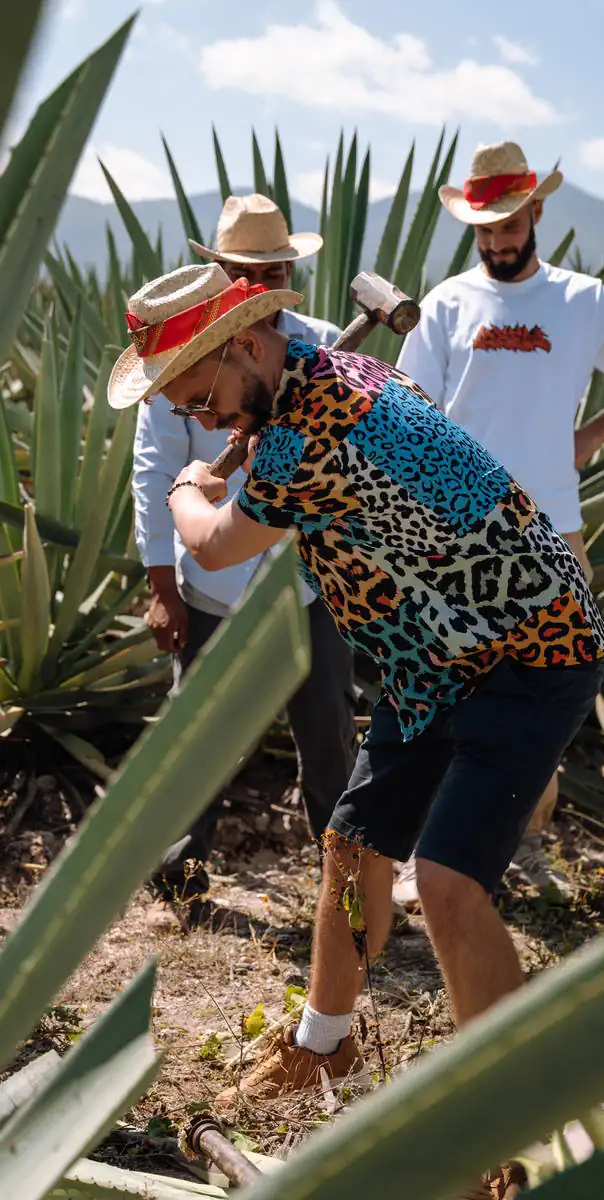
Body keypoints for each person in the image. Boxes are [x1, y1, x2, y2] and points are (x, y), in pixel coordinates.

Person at [109, 262, 604, 1198]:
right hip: (432, 656)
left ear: (250, 345)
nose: (207, 422)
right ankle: (323, 1048)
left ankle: (512, 1125)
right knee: (351, 843)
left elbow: (215, 543)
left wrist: (187, 488)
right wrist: (240, 430)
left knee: (449, 881)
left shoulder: (310, 428)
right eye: (188, 411)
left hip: (527, 644)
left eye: (203, 398)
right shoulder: (306, 377)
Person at [396, 141, 604, 894]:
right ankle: (427, 852)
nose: (498, 241)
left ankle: (520, 847)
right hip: (453, 532)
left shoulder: (581, 301)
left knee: (543, 698)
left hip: (551, 529)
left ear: (536, 213)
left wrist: (593, 434)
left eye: (509, 224)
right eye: (484, 230)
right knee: (441, 687)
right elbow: (403, 408)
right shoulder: (445, 305)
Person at [132, 196, 356, 929]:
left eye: (272, 270)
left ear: (290, 271)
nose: (258, 283)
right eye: (243, 271)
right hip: (213, 588)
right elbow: (154, 469)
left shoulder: (322, 350)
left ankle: (349, 888)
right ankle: (181, 881)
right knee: (195, 737)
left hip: (309, 584)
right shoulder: (184, 355)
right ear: (218, 273)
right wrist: (163, 586)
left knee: (327, 734)